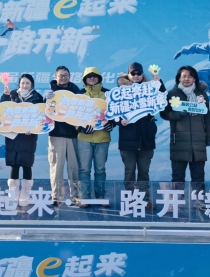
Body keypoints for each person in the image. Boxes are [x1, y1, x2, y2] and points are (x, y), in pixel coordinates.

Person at [160, 65, 210, 205]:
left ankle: (199, 201)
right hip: (179, 140)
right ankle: (177, 201)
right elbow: (164, 113)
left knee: (198, 174)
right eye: (183, 76)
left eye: (190, 76)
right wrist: (177, 114)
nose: (186, 79)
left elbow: (208, 117)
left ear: (194, 79)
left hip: (198, 141)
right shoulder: (171, 94)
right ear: (179, 78)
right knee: (178, 175)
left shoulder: (202, 95)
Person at [118, 62, 166, 210]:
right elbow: (112, 113)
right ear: (128, 75)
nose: (136, 76)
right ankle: (131, 199)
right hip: (128, 140)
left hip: (146, 140)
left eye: (139, 73)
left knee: (144, 172)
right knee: (130, 171)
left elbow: (163, 96)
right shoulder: (120, 92)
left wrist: (157, 80)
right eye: (133, 73)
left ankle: (144, 200)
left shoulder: (150, 88)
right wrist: (120, 121)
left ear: (142, 74)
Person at [1, 74, 44, 207]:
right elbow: (2, 109)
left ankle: (25, 192)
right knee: (14, 163)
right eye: (22, 83)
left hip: (28, 135)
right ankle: (13, 192)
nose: (24, 85)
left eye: (27, 83)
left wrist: (32, 128)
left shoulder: (37, 97)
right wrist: (5, 95)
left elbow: (40, 116)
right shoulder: (12, 94)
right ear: (19, 84)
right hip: (14, 134)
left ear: (32, 85)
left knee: (26, 163)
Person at [76, 67, 114, 207]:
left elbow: (115, 113)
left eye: (94, 76)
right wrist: (80, 127)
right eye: (89, 76)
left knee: (100, 169)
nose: (92, 78)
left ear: (99, 78)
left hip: (102, 138)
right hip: (84, 139)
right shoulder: (79, 95)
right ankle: (84, 197)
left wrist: (112, 124)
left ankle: (100, 196)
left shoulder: (108, 94)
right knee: (84, 169)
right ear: (84, 79)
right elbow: (72, 115)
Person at [44, 66, 81, 206]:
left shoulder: (77, 92)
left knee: (74, 167)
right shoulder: (51, 93)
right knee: (57, 167)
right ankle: (57, 196)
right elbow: (43, 113)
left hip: (73, 134)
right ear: (56, 77)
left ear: (70, 76)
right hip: (56, 134)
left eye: (66, 75)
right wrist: (45, 100)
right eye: (61, 75)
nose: (63, 77)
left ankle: (76, 195)